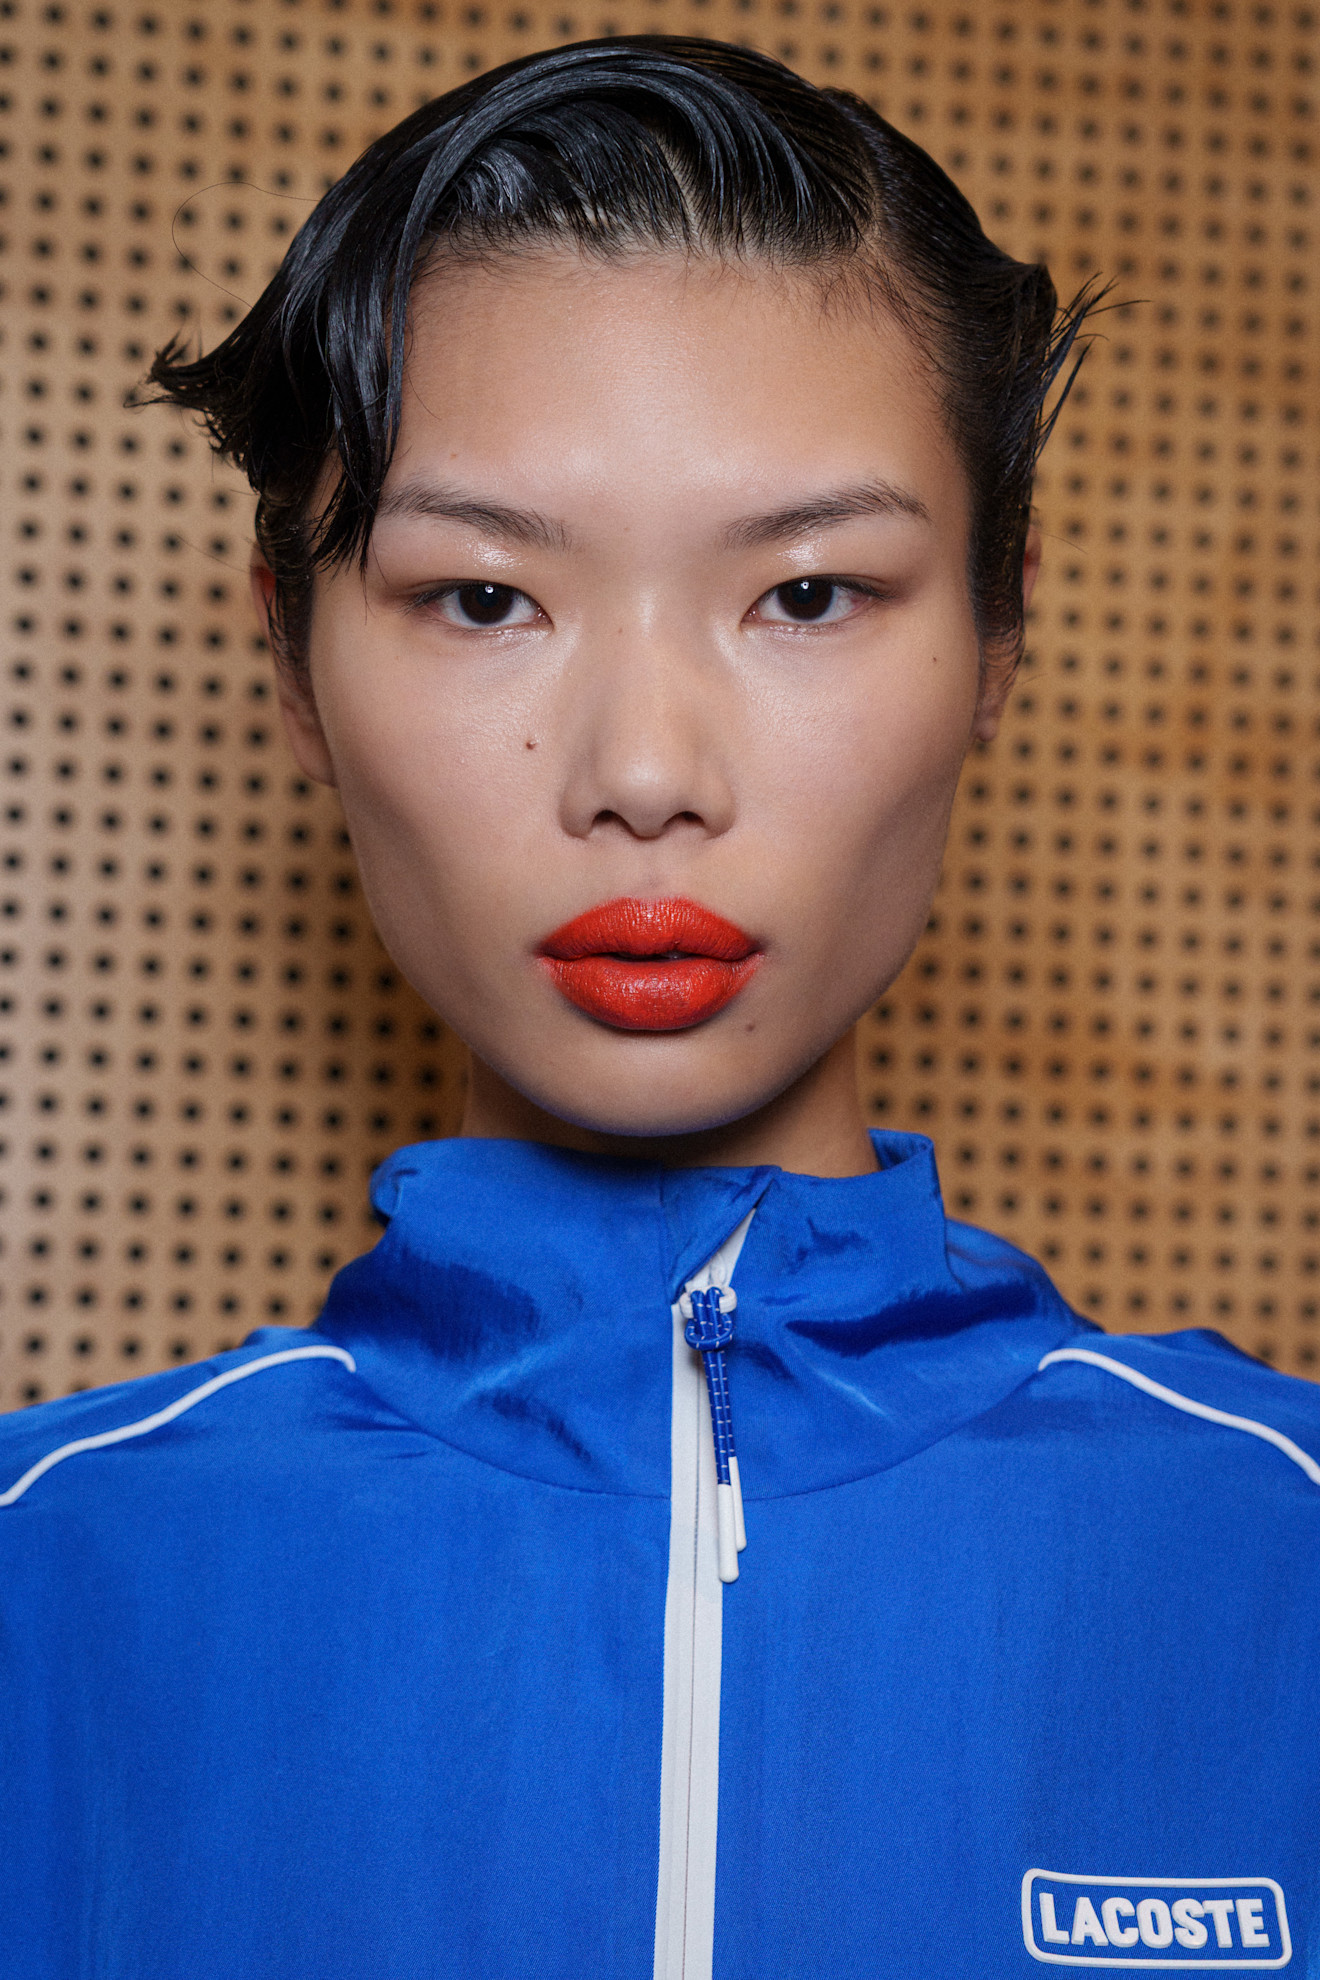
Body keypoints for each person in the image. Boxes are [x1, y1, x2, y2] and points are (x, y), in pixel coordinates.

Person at [1, 36, 1315, 1980]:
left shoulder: (1284, 1551)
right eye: (479, 598)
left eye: (805, 595)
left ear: (1000, 640)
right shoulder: (44, 1578)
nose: (641, 768)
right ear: (290, 658)